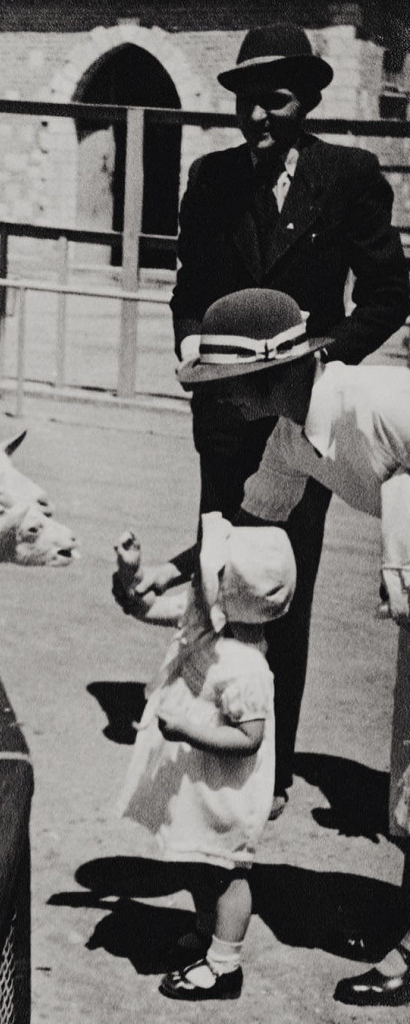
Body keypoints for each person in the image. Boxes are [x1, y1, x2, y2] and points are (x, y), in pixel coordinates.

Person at [164, 21, 410, 816]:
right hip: (225, 416)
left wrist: (315, 359)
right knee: (219, 573)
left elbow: (387, 293)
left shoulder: (348, 176)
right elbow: (186, 293)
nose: (257, 119)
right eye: (245, 104)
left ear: (304, 100)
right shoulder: (210, 179)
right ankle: (217, 734)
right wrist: (205, 371)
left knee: (280, 586)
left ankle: (269, 759)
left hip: (303, 419)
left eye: (274, 103)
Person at [174, 285, 410, 1006]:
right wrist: (161, 576)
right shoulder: (291, 438)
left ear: (272, 373)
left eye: (226, 386)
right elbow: (246, 527)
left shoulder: (377, 401)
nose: (219, 402)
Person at [114, 511, 297, 1001]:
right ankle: (204, 933)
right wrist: (130, 573)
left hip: (228, 787)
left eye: (210, 569)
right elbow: (141, 607)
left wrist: (189, 731)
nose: (197, 570)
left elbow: (250, 738)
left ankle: (224, 966)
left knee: (228, 872)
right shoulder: (206, 618)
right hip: (201, 781)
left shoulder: (247, 666)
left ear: (232, 595)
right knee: (200, 860)